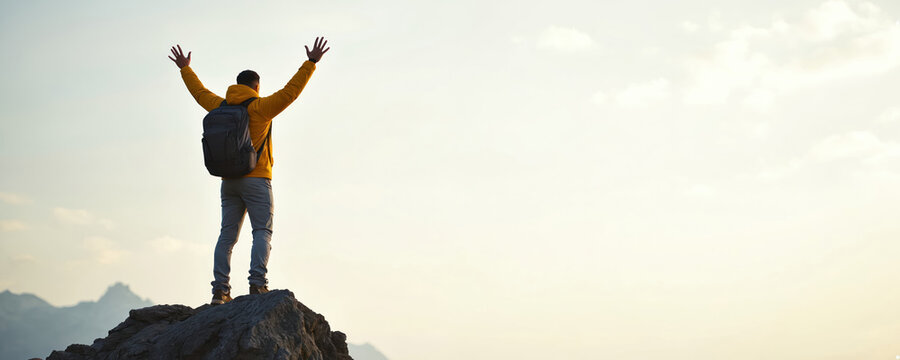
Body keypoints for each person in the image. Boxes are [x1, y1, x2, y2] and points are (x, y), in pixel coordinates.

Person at [168, 37, 330, 305]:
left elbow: (199, 92)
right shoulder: (260, 108)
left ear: (236, 85)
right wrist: (310, 63)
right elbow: (291, 92)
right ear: (257, 87)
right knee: (261, 232)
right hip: (257, 180)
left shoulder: (220, 106)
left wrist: (185, 68)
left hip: (228, 181)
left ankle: (220, 291)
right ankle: (258, 284)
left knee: (227, 237)